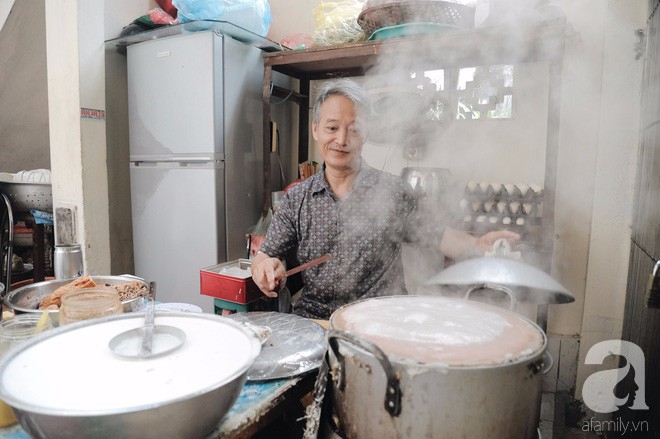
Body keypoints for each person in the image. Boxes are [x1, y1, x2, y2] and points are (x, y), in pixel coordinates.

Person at [251, 78, 519, 320]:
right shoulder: (297, 197)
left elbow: (436, 236)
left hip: (381, 319)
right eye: (332, 127)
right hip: (315, 321)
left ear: (366, 134)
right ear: (315, 130)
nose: (341, 139)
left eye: (354, 130)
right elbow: (265, 256)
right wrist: (264, 270)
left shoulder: (393, 192)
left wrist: (477, 244)